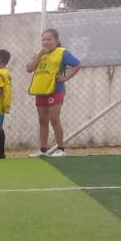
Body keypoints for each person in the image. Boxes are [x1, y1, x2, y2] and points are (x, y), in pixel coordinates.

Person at [26, 28, 81, 156]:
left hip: (55, 90)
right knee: (42, 120)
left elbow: (77, 65)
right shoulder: (39, 53)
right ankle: (43, 149)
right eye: (43, 39)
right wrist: (40, 55)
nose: (45, 42)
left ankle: (60, 149)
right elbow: (29, 68)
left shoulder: (62, 52)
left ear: (56, 40)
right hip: (41, 90)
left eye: (49, 39)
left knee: (54, 118)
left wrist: (66, 77)